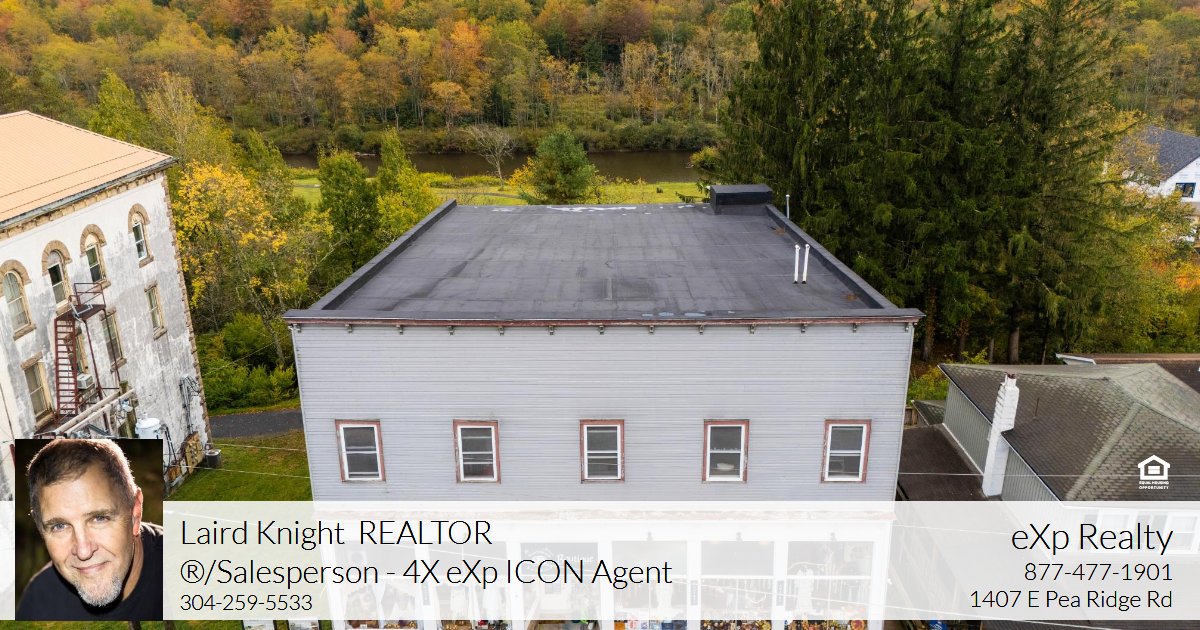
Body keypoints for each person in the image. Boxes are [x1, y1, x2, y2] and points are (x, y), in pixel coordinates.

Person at [16, 438, 162, 621]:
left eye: (99, 518)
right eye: (59, 526)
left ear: (135, 513)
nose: (83, 551)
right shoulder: (38, 604)